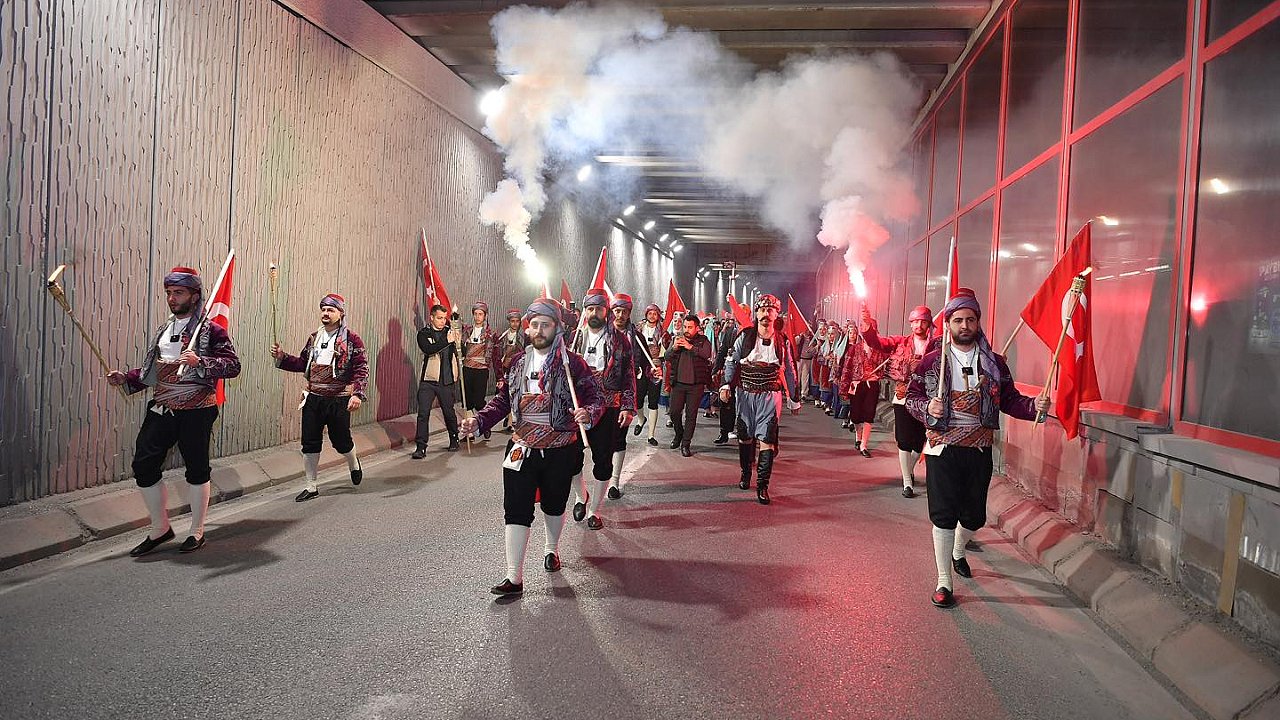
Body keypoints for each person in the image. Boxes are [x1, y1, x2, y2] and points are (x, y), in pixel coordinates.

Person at [906, 290, 1049, 609]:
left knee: (973, 517)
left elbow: (1010, 399)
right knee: (943, 515)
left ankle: (959, 549)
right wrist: (928, 407)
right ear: (948, 324)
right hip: (943, 447)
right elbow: (912, 398)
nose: (964, 325)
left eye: (970, 319)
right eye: (958, 320)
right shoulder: (931, 363)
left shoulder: (994, 363)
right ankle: (944, 581)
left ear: (978, 322)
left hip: (979, 448)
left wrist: (1033, 406)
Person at [460, 299, 603, 596]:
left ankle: (551, 549)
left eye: (545, 325)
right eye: (534, 324)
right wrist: (479, 421)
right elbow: (503, 401)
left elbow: (595, 397)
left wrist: (588, 412)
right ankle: (513, 577)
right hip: (521, 446)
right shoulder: (517, 362)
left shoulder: (573, 364)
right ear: (528, 328)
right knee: (515, 508)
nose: (539, 330)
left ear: (557, 328)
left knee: (554, 504)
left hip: (559, 448)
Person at [107, 266, 241, 555]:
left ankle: (196, 530)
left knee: (197, 467)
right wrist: (127, 378)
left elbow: (233, 366)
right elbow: (156, 370)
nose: (172, 298)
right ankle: (160, 528)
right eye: (168, 292)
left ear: (195, 295)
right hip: (163, 406)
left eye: (178, 292)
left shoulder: (210, 331)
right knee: (144, 465)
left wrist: (201, 362)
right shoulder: (165, 329)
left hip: (197, 409)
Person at [271, 293, 368, 501]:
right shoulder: (314, 338)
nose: (325, 313)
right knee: (309, 442)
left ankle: (353, 462)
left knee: (341, 441)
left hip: (339, 399)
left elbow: (361, 368)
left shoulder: (352, 339)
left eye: (330, 310)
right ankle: (311, 485)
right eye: (323, 309)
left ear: (341, 313)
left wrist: (357, 394)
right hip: (314, 398)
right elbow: (302, 363)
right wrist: (282, 357)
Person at [719, 295, 801, 505]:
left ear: (776, 314)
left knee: (767, 439)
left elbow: (790, 370)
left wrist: (794, 397)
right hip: (745, 394)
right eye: (762, 310)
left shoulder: (782, 341)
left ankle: (763, 485)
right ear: (756, 313)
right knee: (745, 437)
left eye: (770, 310)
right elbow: (731, 360)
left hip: (770, 396)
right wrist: (726, 384)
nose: (766, 314)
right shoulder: (745, 336)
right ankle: (746, 472)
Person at [567, 289, 636, 529]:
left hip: (608, 406)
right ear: (585, 311)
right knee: (571, 458)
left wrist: (628, 406)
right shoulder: (574, 338)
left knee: (603, 460)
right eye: (590, 309)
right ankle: (580, 496)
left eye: (598, 308)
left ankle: (595, 510)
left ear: (606, 311)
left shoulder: (620, 341)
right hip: (578, 406)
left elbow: (628, 376)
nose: (594, 313)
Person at [863, 304, 938, 498]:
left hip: (925, 401)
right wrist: (867, 325)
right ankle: (907, 482)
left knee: (919, 442)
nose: (918, 325)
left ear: (929, 324)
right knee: (904, 441)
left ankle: (908, 470)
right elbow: (877, 342)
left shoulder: (937, 346)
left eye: (922, 322)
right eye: (915, 322)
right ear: (910, 324)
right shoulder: (899, 343)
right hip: (903, 397)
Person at [413, 304, 461, 457]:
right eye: (439, 318)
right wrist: (447, 340)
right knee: (423, 413)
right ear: (432, 317)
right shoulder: (424, 333)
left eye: (444, 318)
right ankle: (421, 447)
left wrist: (458, 341)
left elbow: (461, 352)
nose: (442, 321)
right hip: (429, 380)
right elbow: (428, 349)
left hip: (446, 380)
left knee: (449, 412)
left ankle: (454, 438)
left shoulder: (450, 332)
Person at [837, 311, 886, 459]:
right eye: (864, 326)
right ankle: (858, 437)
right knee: (856, 414)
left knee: (869, 414)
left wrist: (878, 374)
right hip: (856, 384)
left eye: (870, 327)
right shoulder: (855, 348)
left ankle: (864, 444)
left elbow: (885, 367)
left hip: (872, 384)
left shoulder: (880, 349)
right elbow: (847, 368)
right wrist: (844, 387)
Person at [664, 313, 713, 456]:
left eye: (690, 327)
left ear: (697, 328)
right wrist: (674, 348)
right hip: (678, 384)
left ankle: (686, 444)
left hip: (695, 385)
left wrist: (690, 347)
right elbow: (666, 356)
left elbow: (707, 354)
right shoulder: (677, 339)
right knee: (674, 412)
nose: (686, 329)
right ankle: (679, 434)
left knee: (691, 416)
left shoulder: (703, 341)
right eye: (685, 326)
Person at [629, 303, 668, 448]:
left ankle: (651, 435)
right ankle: (641, 419)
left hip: (655, 367)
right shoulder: (638, 328)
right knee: (637, 399)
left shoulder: (663, 331)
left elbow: (666, 349)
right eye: (650, 313)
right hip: (641, 367)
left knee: (653, 401)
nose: (652, 316)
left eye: (655, 313)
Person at [462, 301, 496, 437]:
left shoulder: (489, 334)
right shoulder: (467, 331)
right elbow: (461, 347)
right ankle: (469, 431)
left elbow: (490, 352)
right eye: (475, 314)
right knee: (467, 400)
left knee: (479, 401)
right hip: (467, 368)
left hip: (481, 370)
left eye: (480, 314)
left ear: (485, 316)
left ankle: (485, 423)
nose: (477, 317)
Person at [494, 308, 527, 431]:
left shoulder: (524, 337)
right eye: (512, 321)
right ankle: (508, 416)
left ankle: (511, 421)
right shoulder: (503, 336)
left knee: (515, 393)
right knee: (505, 392)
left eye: (517, 321)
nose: (515, 324)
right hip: (505, 368)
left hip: (518, 369)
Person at [711, 315, 740, 445]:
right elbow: (722, 351)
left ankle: (745, 432)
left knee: (742, 406)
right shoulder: (730, 332)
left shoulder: (753, 333)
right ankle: (724, 432)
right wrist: (715, 370)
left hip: (745, 374)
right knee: (725, 400)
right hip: (729, 372)